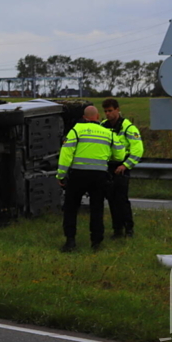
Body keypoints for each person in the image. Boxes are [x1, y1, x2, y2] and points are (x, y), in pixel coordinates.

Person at [57, 105, 122, 252]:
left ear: (84, 117)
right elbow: (119, 155)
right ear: (98, 117)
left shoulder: (76, 130)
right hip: (99, 175)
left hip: (78, 174)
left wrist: (61, 175)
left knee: (71, 208)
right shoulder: (108, 133)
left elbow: (66, 154)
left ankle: (70, 242)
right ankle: (96, 243)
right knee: (97, 209)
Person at [101, 98, 144, 239]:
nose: (108, 114)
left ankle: (128, 229)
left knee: (121, 199)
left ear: (117, 110)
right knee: (111, 199)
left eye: (110, 111)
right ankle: (117, 230)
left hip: (122, 166)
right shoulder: (103, 126)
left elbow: (137, 150)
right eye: (105, 111)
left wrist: (125, 165)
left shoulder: (128, 128)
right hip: (108, 166)